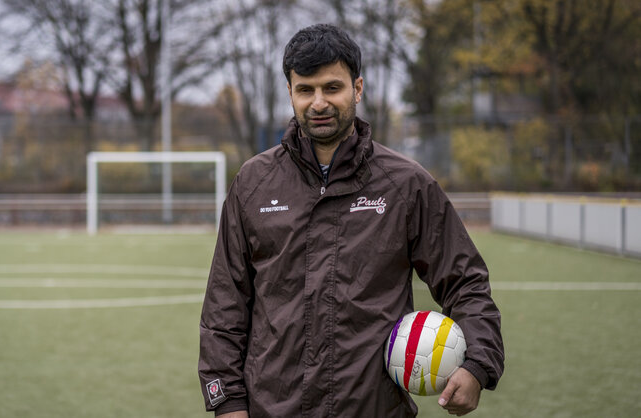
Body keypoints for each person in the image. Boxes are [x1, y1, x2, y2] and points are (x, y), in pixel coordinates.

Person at [198, 23, 504, 417]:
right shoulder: (254, 184)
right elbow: (225, 305)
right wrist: (227, 402)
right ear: (290, 93)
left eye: (332, 87)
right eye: (305, 90)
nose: (318, 102)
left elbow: (466, 282)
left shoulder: (405, 184)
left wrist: (477, 363)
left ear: (357, 89)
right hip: (272, 409)